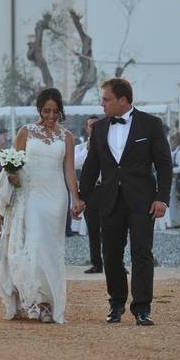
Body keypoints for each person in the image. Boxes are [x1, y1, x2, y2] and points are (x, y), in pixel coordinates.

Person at [79, 78, 172, 327]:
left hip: (143, 201)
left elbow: (164, 164)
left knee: (142, 253)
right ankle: (116, 303)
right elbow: (91, 167)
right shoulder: (98, 128)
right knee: (110, 254)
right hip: (108, 200)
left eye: (106, 99)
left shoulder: (151, 124)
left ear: (123, 100)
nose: (102, 104)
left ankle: (142, 308)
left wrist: (162, 198)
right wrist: (80, 197)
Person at [0, 87, 84, 323]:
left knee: (51, 249)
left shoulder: (67, 137)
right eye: (47, 111)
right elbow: (14, 164)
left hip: (56, 195)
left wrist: (76, 198)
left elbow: (69, 170)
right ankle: (33, 300)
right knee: (34, 245)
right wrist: (12, 176)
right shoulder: (26, 132)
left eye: (55, 111)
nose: (51, 116)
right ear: (39, 110)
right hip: (31, 194)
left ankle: (47, 303)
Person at [75, 115, 103, 273]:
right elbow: (75, 163)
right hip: (90, 192)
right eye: (91, 125)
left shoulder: (109, 144)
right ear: (87, 128)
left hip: (106, 190)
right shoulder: (81, 148)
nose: (94, 127)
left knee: (111, 229)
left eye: (96, 125)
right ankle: (96, 263)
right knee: (93, 229)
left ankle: (115, 262)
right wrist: (88, 148)